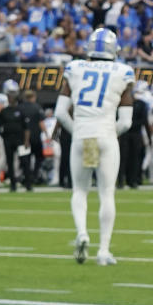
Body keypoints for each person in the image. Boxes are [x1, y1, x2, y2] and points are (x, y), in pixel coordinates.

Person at [55, 28, 135, 266]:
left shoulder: (76, 68)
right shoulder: (123, 72)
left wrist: (78, 130)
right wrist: (110, 133)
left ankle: (82, 233)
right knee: (106, 193)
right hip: (106, 136)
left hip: (83, 136)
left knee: (80, 190)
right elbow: (126, 121)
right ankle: (103, 250)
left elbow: (60, 113)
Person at [0, 81, 27, 192]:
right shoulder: (4, 111)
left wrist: (26, 141)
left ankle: (27, 183)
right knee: (10, 161)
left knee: (24, 160)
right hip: (8, 140)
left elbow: (26, 127)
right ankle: (13, 183)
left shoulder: (20, 110)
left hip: (20, 140)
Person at [118, 81, 150, 189]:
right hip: (124, 134)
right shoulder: (120, 102)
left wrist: (149, 136)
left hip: (135, 134)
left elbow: (145, 121)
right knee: (122, 158)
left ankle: (133, 180)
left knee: (135, 158)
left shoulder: (140, 104)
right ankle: (121, 180)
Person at [18, 90, 45, 189]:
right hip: (35, 137)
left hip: (22, 138)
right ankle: (34, 175)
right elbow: (41, 123)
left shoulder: (19, 108)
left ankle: (26, 177)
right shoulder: (37, 107)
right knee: (39, 158)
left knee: (25, 160)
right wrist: (47, 134)